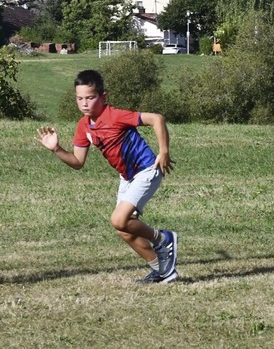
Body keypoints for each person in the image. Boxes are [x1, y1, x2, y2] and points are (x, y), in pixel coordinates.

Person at [34, 70, 178, 283]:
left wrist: (163, 151)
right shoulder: (83, 126)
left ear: (103, 97)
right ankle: (162, 270)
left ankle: (163, 238)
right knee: (124, 230)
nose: (84, 103)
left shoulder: (115, 115)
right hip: (127, 177)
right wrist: (56, 149)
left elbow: (156, 119)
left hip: (146, 169)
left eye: (90, 98)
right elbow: (77, 162)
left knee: (119, 219)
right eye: (80, 98)